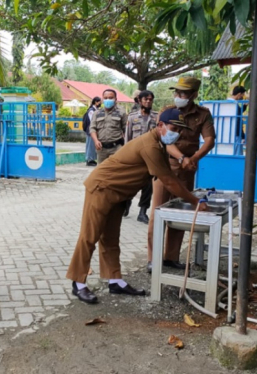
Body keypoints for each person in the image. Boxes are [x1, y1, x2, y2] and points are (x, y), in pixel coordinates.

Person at [66, 108, 208, 304]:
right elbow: (168, 180)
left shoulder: (159, 145)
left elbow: (169, 176)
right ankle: (78, 282)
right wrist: (195, 201)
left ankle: (114, 280)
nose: (177, 133)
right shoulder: (149, 145)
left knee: (110, 238)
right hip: (102, 188)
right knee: (90, 236)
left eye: (179, 130)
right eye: (174, 128)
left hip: (118, 193)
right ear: (160, 126)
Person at [146, 77, 216, 273]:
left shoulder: (203, 114)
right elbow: (165, 140)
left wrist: (193, 158)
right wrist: (183, 157)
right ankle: (153, 258)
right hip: (164, 167)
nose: (178, 96)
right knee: (158, 212)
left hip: (186, 171)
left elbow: (209, 140)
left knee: (179, 213)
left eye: (183, 93)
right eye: (176, 92)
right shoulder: (168, 111)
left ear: (193, 95)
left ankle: (171, 257)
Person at [124, 90, 158, 223]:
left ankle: (142, 212)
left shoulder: (156, 117)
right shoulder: (132, 117)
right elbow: (128, 138)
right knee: (130, 183)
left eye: (150, 99)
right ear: (139, 101)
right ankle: (126, 204)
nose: (148, 102)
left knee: (148, 186)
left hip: (150, 157)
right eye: (146, 99)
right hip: (135, 157)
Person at [90, 89, 128, 164]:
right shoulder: (97, 113)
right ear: (102, 99)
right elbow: (92, 128)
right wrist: (96, 141)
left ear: (115, 99)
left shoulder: (121, 112)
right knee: (101, 172)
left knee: (116, 171)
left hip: (117, 148)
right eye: (106, 98)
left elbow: (126, 130)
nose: (108, 100)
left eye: (111, 98)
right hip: (101, 148)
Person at [82, 97, 101, 166]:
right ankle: (89, 160)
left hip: (93, 130)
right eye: (99, 102)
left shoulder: (95, 110)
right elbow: (92, 121)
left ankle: (91, 159)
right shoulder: (91, 111)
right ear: (95, 102)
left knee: (92, 145)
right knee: (90, 145)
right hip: (91, 130)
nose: (100, 103)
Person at [231, 86, 247, 155]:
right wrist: (242, 135)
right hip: (236, 134)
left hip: (230, 134)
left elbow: (239, 112)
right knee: (237, 155)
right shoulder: (234, 105)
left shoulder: (230, 104)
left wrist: (245, 106)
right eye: (243, 95)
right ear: (239, 94)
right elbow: (238, 121)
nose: (243, 97)